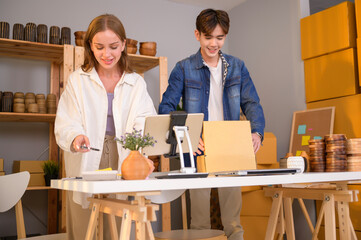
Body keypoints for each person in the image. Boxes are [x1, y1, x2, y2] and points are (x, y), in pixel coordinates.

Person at [158, 9, 265, 240]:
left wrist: (256, 131)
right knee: (199, 223)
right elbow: (165, 107)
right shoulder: (184, 68)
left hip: (230, 146)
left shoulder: (238, 67)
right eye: (208, 37)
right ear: (197, 35)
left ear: (225, 36)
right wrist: (187, 136)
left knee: (233, 223)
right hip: (199, 147)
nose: (214, 44)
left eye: (220, 37)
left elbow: (251, 102)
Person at [54, 14, 156, 239]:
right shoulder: (78, 80)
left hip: (124, 156)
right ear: (90, 45)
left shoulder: (136, 82)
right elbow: (66, 121)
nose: (107, 54)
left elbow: (146, 121)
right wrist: (75, 137)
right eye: (99, 47)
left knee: (120, 219)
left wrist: (139, 151)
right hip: (88, 153)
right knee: (84, 221)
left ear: (124, 45)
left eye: (113, 46)